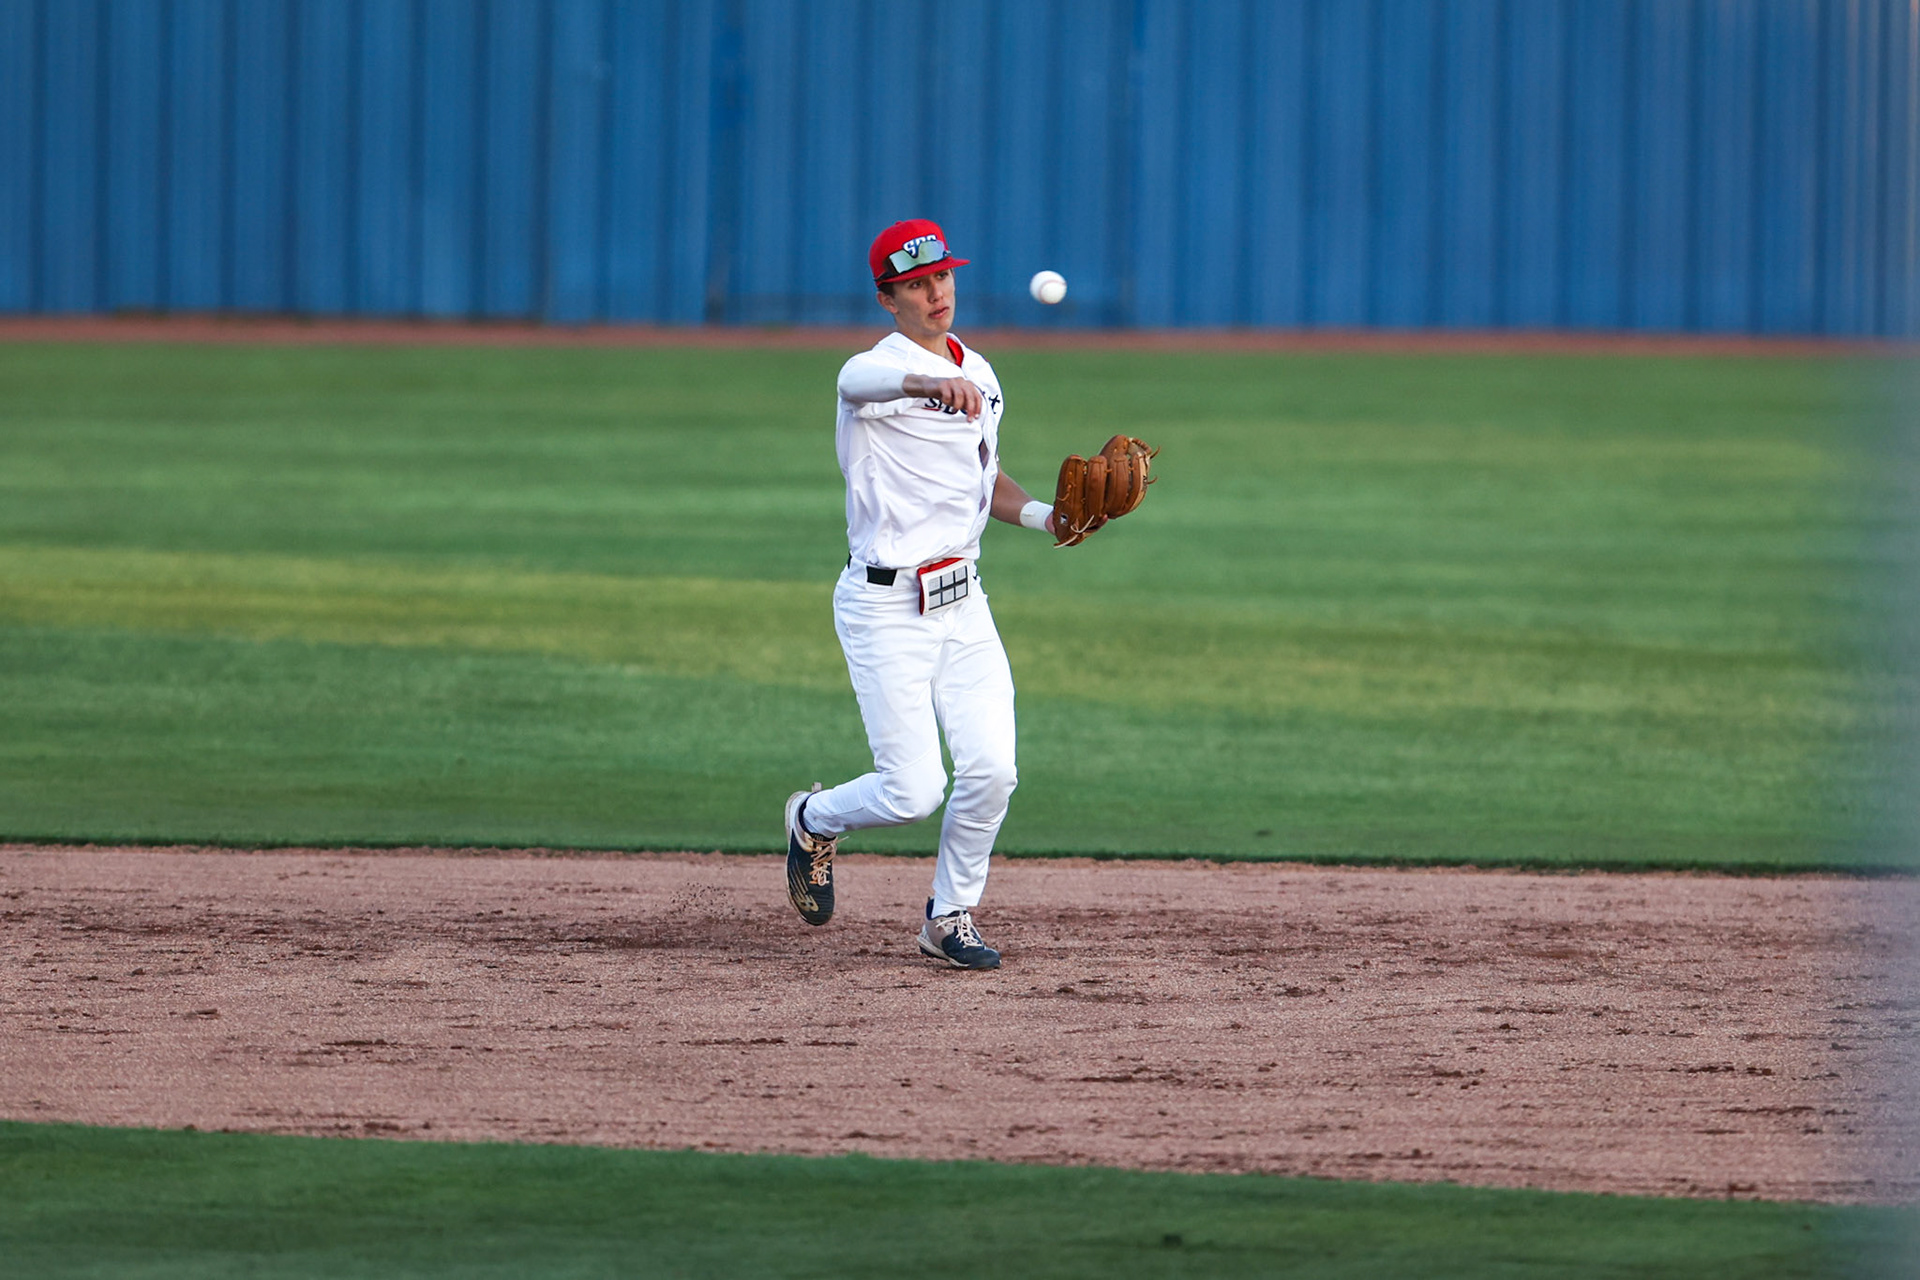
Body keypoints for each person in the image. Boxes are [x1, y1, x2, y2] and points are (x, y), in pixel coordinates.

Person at [782, 219, 1062, 971]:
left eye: (942, 276)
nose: (936, 292)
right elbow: (854, 379)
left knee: (993, 770)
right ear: (887, 297)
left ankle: (950, 914)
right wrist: (925, 380)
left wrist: (1046, 516)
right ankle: (812, 818)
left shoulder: (982, 372)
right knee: (912, 791)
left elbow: (983, 477)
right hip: (883, 606)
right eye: (915, 283)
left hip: (964, 601)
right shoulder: (876, 375)